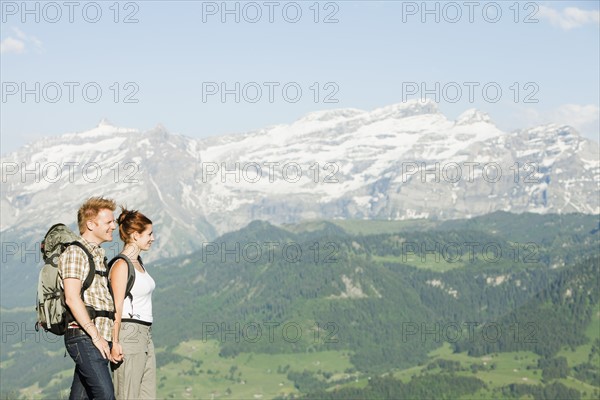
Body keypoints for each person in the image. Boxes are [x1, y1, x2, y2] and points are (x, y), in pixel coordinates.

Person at [58, 196, 117, 400]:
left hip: (97, 337)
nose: (114, 226)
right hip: (85, 336)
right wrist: (96, 336)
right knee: (105, 396)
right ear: (91, 224)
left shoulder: (98, 256)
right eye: (109, 222)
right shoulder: (76, 253)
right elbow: (72, 298)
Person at [110, 207, 156, 400]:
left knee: (147, 395)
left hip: (145, 336)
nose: (153, 238)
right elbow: (116, 307)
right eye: (149, 234)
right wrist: (115, 342)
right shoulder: (121, 265)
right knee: (127, 395)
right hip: (129, 335)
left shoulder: (138, 262)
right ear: (135, 235)